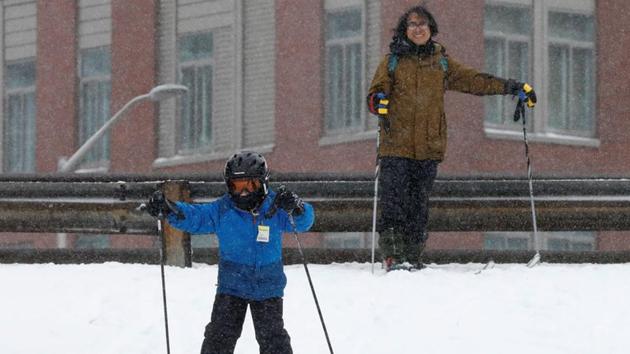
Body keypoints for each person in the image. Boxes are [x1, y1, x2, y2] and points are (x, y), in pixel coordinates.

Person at [367, 5, 536, 271]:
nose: (418, 28)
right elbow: (375, 93)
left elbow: (474, 81)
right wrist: (378, 101)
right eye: (413, 24)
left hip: (428, 148)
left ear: (431, 30)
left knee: (418, 206)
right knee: (394, 202)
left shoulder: (441, 62)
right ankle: (394, 256)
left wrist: (512, 86)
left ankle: (413, 256)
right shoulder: (392, 61)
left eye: (423, 24)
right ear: (405, 30)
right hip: (395, 146)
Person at [146, 151, 315, 354]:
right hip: (232, 285)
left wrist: (297, 207)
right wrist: (169, 208)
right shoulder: (223, 210)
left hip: (268, 286)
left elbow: (304, 222)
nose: (243, 193)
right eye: (237, 186)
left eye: (249, 185)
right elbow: (196, 217)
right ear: (229, 185)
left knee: (273, 340)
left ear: (262, 183)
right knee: (219, 338)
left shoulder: (275, 207)